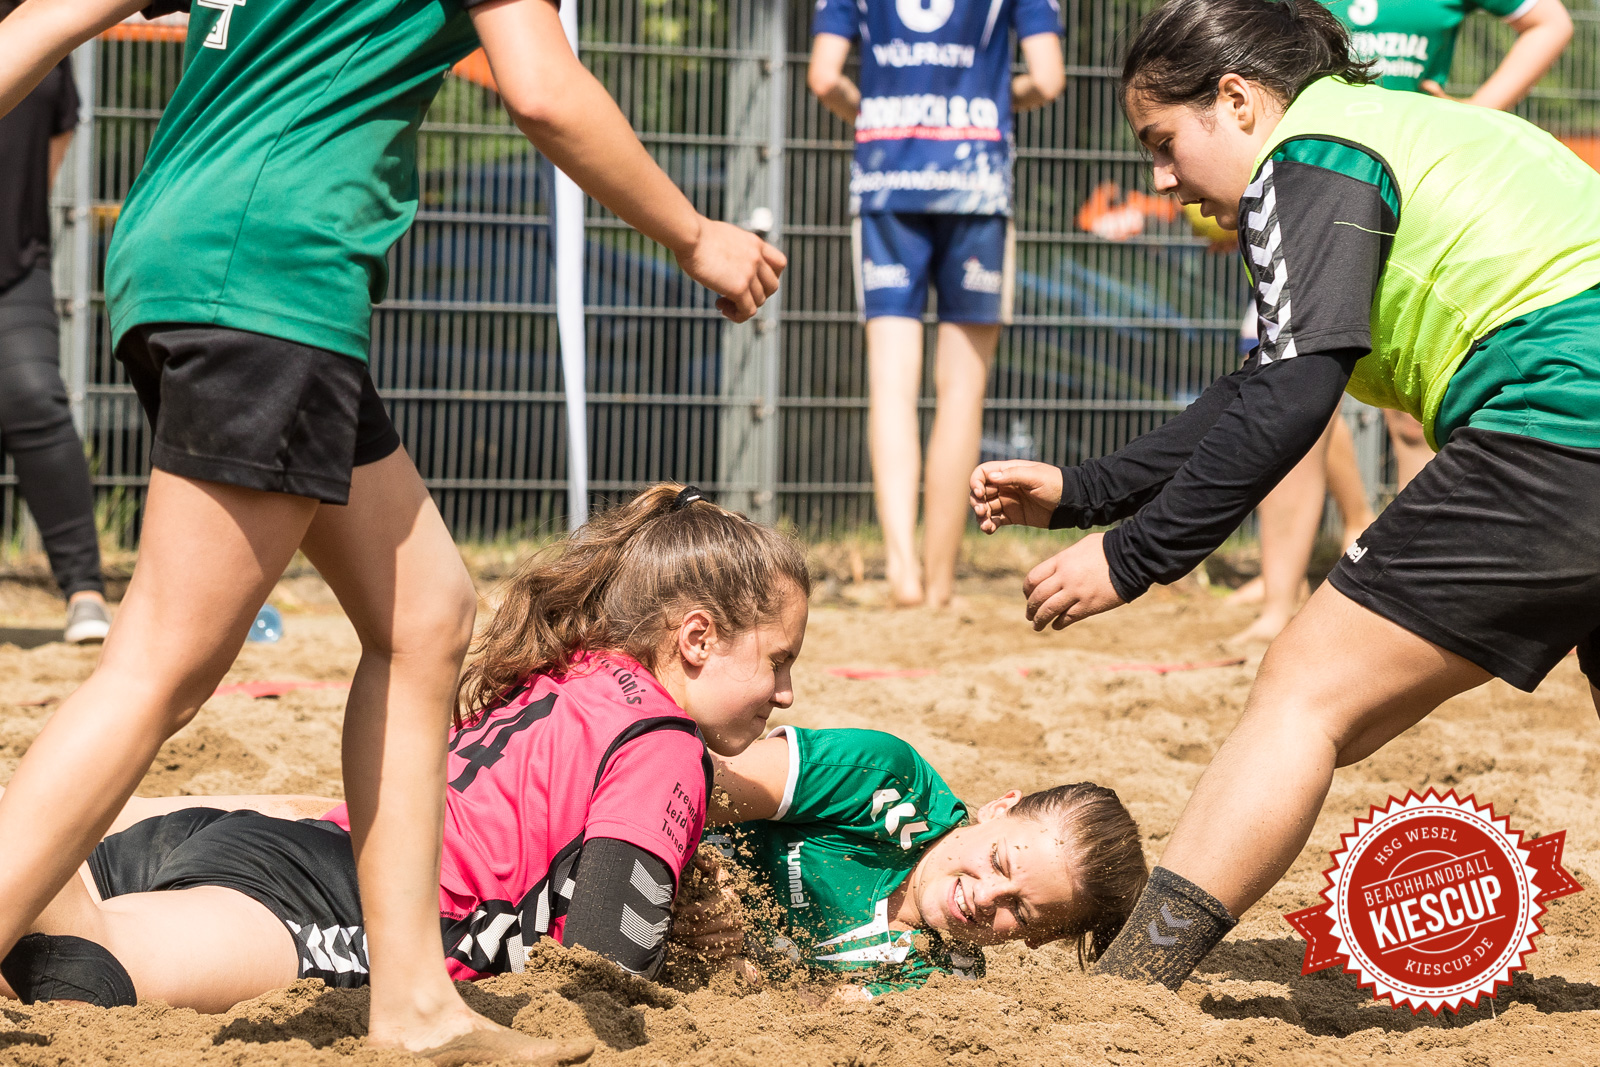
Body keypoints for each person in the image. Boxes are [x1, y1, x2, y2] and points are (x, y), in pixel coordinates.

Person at [0, 2, 785, 1062]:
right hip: (277, 269)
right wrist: (698, 236)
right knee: (163, 665)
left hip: (181, 245)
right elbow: (545, 90)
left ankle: (413, 1001)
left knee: (426, 612)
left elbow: (41, 17)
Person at [969, 0, 1600, 990]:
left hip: (1564, 415)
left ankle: (1125, 989)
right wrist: (1088, 493)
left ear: (1237, 99)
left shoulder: (1308, 152)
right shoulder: (1379, 124)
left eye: (1165, 143)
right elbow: (1258, 381)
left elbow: (1292, 395)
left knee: (1301, 693)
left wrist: (1133, 556)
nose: (1162, 179)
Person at [0, 485, 811, 1014]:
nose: (785, 693)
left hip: (275, 842)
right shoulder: (668, 744)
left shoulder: (576, 665)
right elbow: (604, 980)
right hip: (327, 899)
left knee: (39, 895)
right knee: (83, 972)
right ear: (696, 637)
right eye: (779, 659)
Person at [1230, 0, 1571, 642]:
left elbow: (1551, 21)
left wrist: (1474, 113)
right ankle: (1280, 598)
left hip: (1416, 204)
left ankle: (1429, 604)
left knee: (1410, 421)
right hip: (1317, 192)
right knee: (1292, 390)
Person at [808, 0, 1065, 609]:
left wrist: (871, 114)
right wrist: (997, 102)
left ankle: (900, 569)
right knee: (961, 390)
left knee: (891, 385)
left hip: (885, 180)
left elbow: (823, 77)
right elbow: (1049, 79)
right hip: (975, 180)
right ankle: (941, 580)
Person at [676, 726, 1148, 999]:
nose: (985, 896)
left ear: (1040, 938)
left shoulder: (946, 986)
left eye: (1020, 911)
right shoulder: (885, 781)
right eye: (998, 861)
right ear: (999, 809)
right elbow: (685, 780)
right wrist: (689, 880)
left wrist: (730, 960)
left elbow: (795, 1014)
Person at [0, 3, 110, 645]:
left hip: (14, 264)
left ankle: (85, 589)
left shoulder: (41, 21)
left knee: (34, 396)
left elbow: (59, 128)